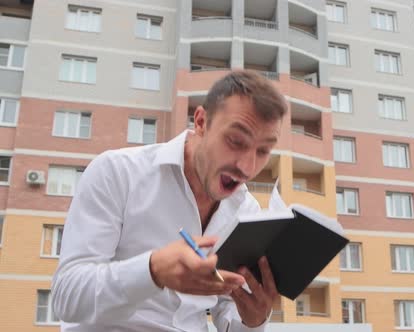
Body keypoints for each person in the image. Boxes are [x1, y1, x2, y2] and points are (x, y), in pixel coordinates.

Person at [51, 70, 288, 331]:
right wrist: (152, 271)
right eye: (235, 141)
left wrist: (252, 321)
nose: (247, 166)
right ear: (201, 122)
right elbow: (67, 296)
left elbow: (225, 304)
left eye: (263, 150)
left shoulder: (247, 209)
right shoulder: (117, 172)